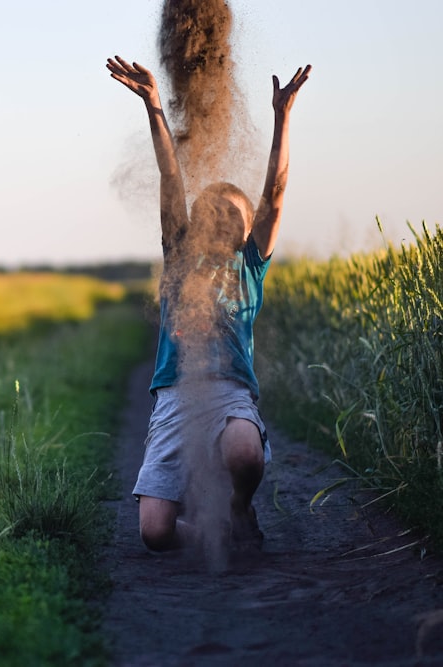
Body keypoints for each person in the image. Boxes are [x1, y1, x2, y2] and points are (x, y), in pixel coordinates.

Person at [105, 55, 311, 551]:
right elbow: (171, 180)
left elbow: (276, 194)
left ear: (248, 231)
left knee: (244, 453)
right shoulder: (179, 258)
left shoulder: (248, 267)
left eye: (232, 212)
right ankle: (213, 533)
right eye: (209, 210)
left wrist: (282, 118)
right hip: (175, 399)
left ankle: (239, 506)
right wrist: (155, 105)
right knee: (154, 533)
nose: (219, 216)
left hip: (229, 393)